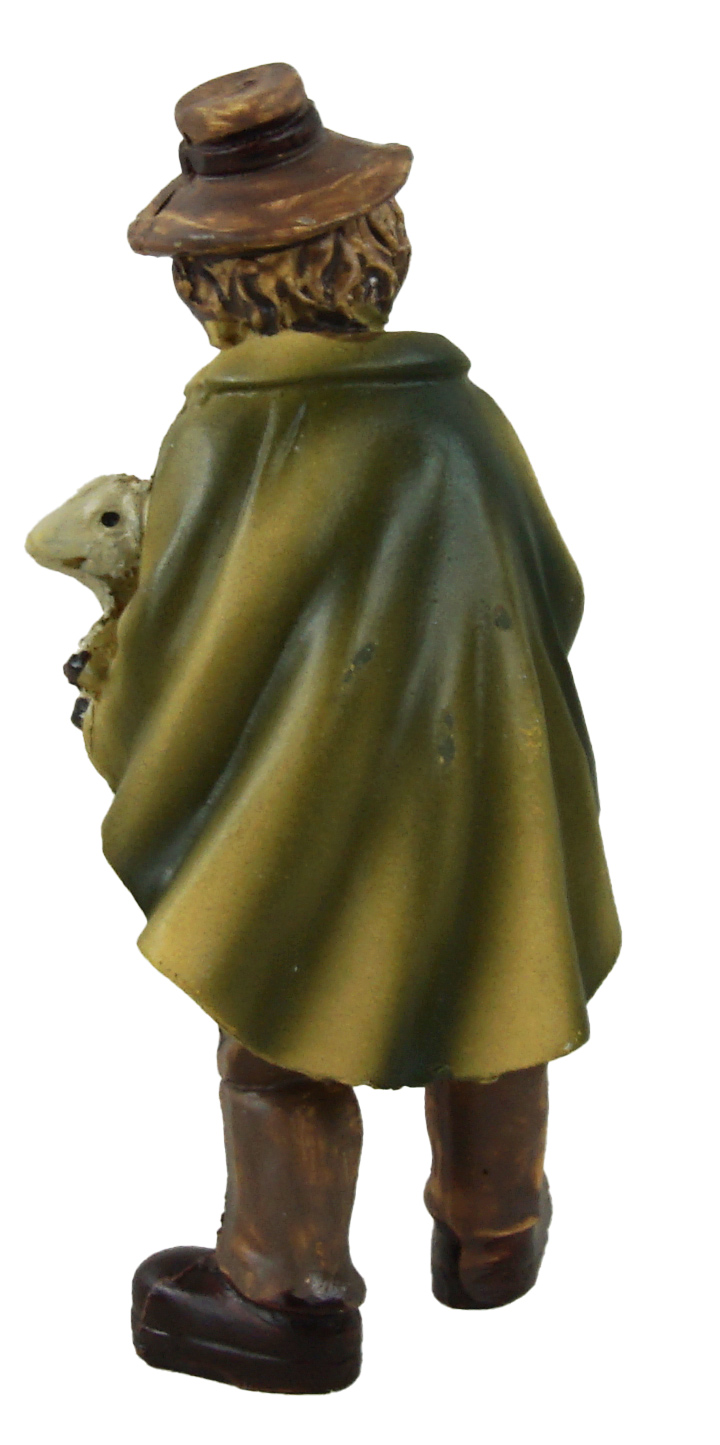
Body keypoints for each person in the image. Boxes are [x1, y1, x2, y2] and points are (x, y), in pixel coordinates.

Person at [82, 63, 620, 1393]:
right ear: (377, 246)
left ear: (214, 281)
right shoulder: (462, 416)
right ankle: (495, 1228)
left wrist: (114, 678)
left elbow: (192, 636)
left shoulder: (228, 437)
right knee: (496, 988)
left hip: (311, 799)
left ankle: (286, 1287)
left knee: (280, 1025)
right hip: (488, 781)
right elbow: (555, 591)